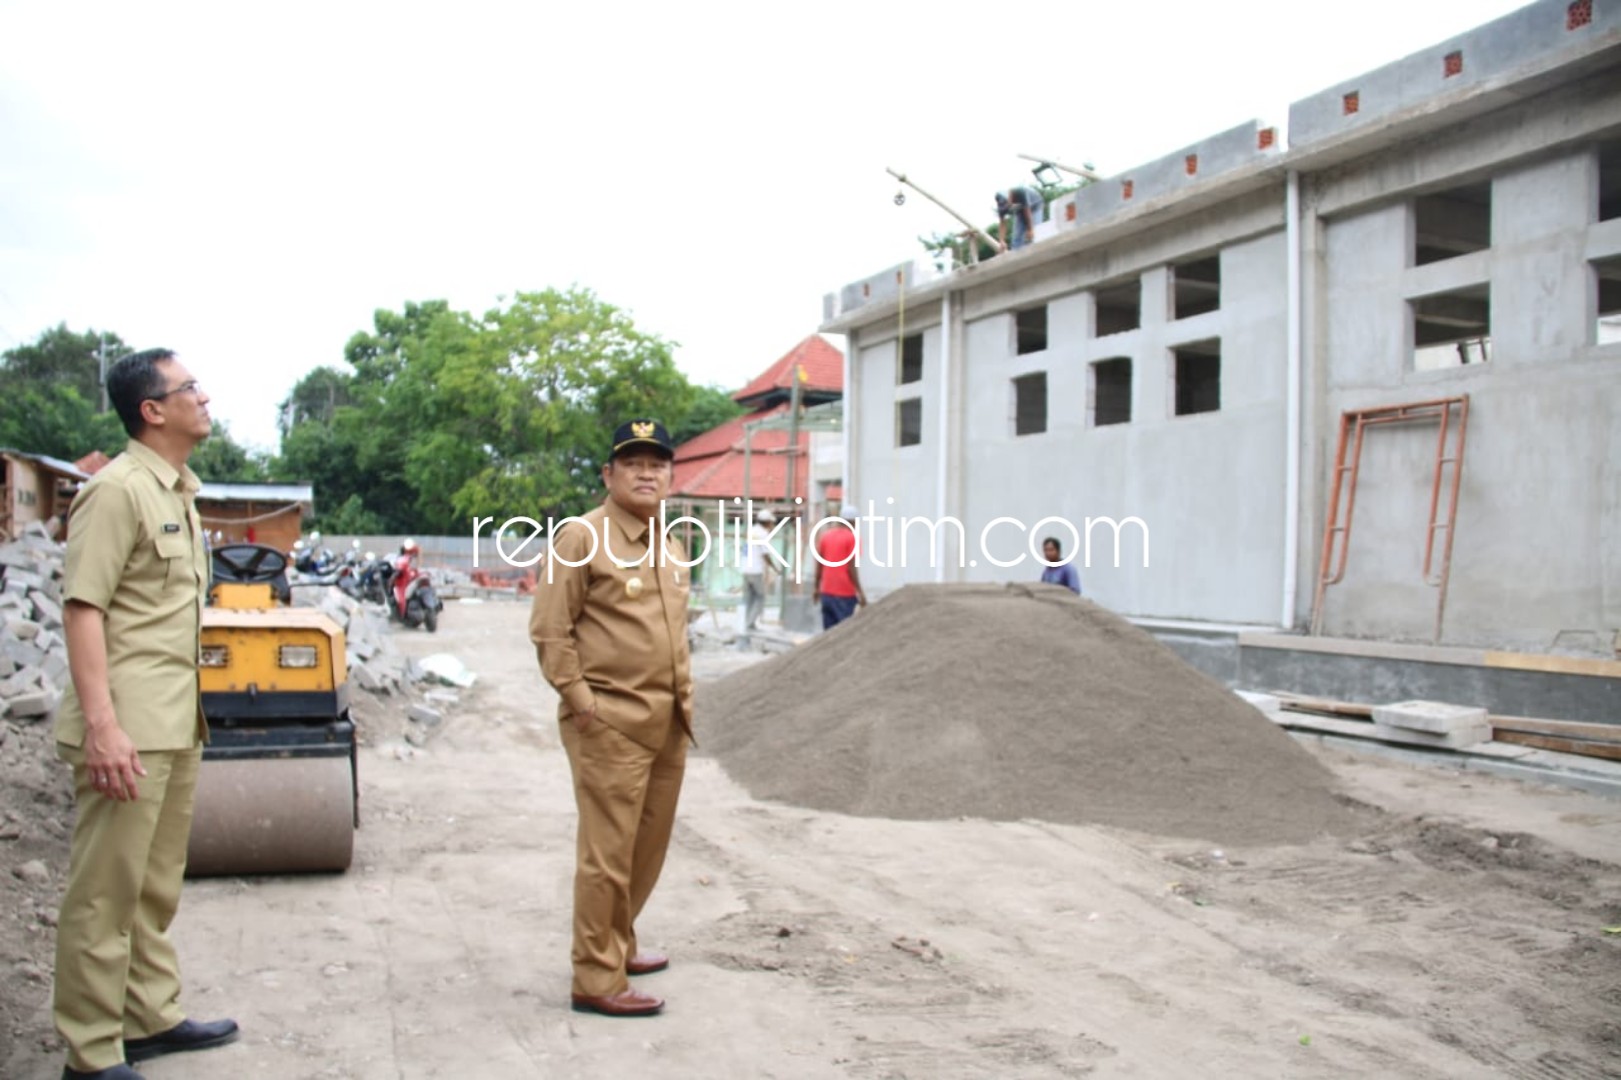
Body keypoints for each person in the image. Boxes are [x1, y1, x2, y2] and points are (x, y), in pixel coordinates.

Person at [52, 349, 239, 1079]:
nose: (205, 396)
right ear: (152, 410)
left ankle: (148, 1016)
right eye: (189, 387)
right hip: (126, 728)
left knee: (154, 884)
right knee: (104, 891)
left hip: (174, 721)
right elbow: (83, 609)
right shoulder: (117, 492)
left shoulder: (177, 492)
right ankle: (91, 1050)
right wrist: (102, 727)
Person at [529, 419, 694, 1019]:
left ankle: (618, 943)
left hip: (668, 723)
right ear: (608, 474)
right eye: (632, 463)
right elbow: (550, 629)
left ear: (670, 476)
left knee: (645, 850)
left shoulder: (670, 544)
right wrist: (583, 704)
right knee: (607, 855)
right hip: (609, 723)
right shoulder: (581, 537)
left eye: (657, 464)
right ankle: (596, 977)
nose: (646, 473)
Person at [813, 503, 867, 630]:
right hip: (844, 594)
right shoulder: (852, 538)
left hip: (826, 592)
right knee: (844, 632)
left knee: (829, 633)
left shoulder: (826, 536)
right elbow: (851, 568)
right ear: (853, 521)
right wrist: (860, 592)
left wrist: (816, 588)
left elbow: (819, 564)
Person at [739, 510, 775, 633]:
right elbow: (765, 554)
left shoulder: (752, 531)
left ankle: (747, 623)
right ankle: (749, 624)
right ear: (767, 522)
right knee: (761, 597)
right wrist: (774, 567)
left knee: (749, 598)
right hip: (755, 570)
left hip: (745, 569)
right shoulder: (763, 534)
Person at [996, 186, 1046, 251]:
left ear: (1010, 196)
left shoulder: (1020, 191)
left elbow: (1027, 211)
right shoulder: (1000, 202)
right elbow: (1002, 222)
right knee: (1017, 238)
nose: (1008, 207)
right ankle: (1015, 255)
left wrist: (1030, 229)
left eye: (1008, 204)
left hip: (1035, 205)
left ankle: (1036, 252)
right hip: (1020, 208)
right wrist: (1002, 240)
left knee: (1034, 234)